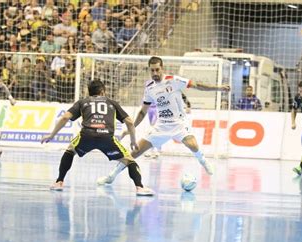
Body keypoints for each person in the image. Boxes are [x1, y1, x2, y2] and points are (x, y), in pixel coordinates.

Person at [97, 56, 230, 185]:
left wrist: (218, 88)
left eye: (157, 70)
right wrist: (131, 128)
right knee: (135, 152)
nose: (154, 73)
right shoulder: (149, 87)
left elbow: (197, 85)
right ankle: (111, 176)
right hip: (161, 126)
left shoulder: (174, 80)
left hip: (179, 123)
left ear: (162, 68)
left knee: (193, 145)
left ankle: (203, 161)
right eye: (152, 70)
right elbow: (143, 111)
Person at [41, 80, 154, 196]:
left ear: (89, 93)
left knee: (70, 151)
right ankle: (140, 187)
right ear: (102, 91)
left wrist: (52, 135)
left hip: (86, 136)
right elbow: (130, 122)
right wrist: (133, 141)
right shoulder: (112, 103)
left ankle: (59, 182)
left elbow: (65, 117)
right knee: (129, 160)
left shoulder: (83, 102)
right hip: (107, 138)